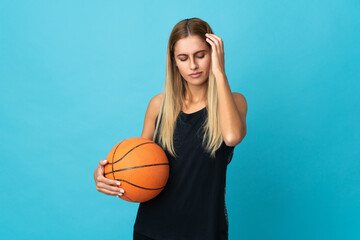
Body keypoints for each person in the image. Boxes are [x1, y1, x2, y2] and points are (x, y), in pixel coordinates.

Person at [93, 17, 247, 240]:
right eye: (183, 58)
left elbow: (232, 137)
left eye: (201, 55)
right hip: (151, 230)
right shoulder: (158, 106)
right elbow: (135, 165)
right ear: (174, 61)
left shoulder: (235, 102)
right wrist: (103, 175)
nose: (192, 65)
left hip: (205, 232)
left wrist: (220, 74)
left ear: (214, 54)